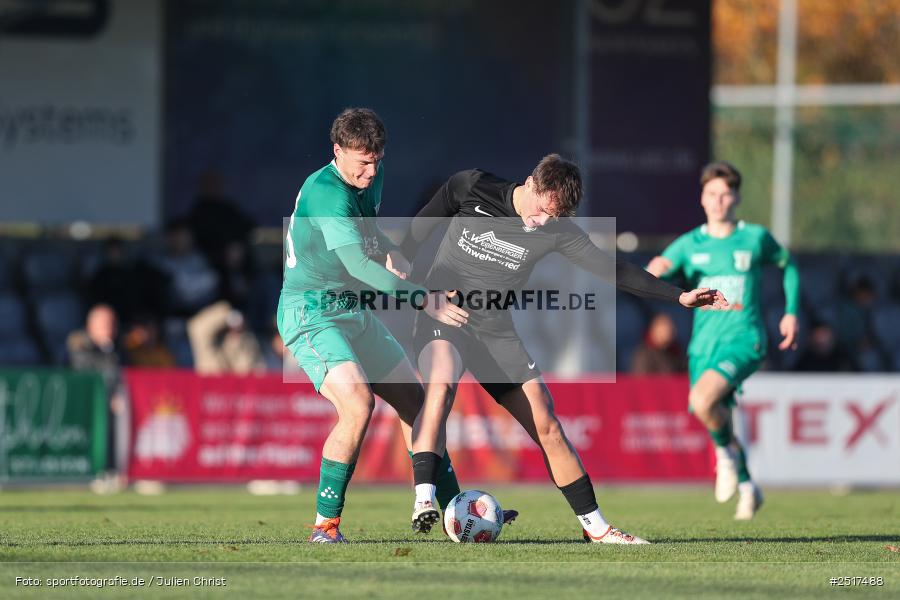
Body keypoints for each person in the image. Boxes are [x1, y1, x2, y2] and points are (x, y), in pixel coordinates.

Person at [400, 154, 726, 544]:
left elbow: (614, 270)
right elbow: (420, 228)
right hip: (444, 315)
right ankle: (424, 500)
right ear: (529, 182)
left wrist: (679, 297)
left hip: (495, 332)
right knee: (441, 386)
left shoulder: (557, 229)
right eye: (541, 210)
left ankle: (597, 529)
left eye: (552, 217)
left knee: (548, 423)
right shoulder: (471, 185)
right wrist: (413, 283)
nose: (541, 222)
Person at [277, 108, 475, 543]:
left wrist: (389, 248)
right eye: (362, 162)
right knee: (358, 405)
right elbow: (356, 264)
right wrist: (425, 299)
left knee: (419, 405)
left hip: (352, 309)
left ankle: (458, 512)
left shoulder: (371, 177)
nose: (371, 171)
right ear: (337, 151)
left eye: (377, 160)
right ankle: (325, 528)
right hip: (312, 312)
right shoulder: (326, 193)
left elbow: (365, 237)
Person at [646, 161, 800, 520]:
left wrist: (791, 312)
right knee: (712, 412)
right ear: (702, 198)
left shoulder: (754, 238)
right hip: (704, 346)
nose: (718, 201)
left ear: (737, 197)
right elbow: (658, 269)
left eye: (725, 193)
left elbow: (788, 264)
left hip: (745, 339)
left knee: (701, 400)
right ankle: (747, 483)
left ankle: (725, 458)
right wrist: (651, 272)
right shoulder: (690, 244)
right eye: (712, 193)